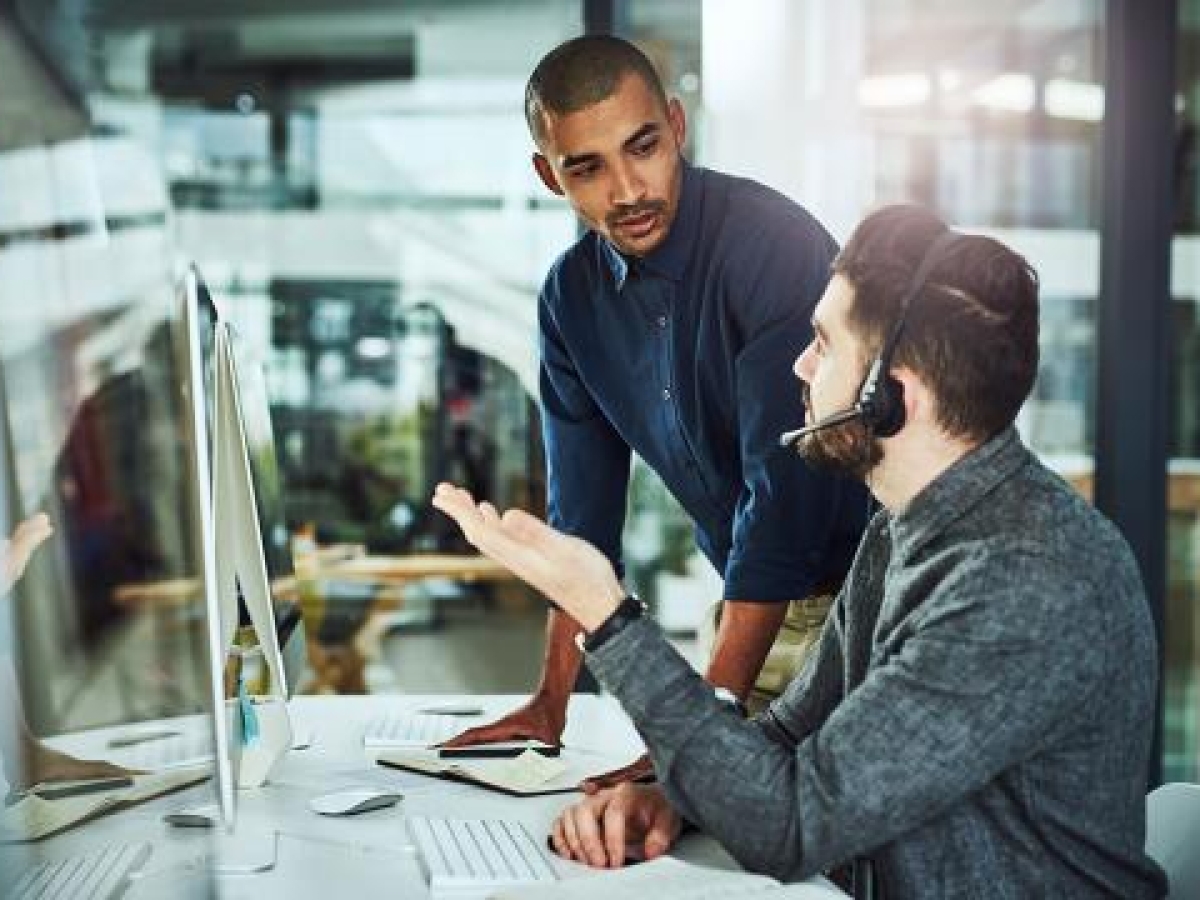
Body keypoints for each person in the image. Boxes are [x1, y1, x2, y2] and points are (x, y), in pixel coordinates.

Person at [432, 205, 1168, 898]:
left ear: (891, 397)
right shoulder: (903, 525)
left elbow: (793, 823)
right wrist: (670, 797)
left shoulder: (1022, 582)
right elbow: (786, 732)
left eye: (823, 344)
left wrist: (608, 616)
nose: (801, 369)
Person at [442, 34, 868, 790]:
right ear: (550, 175)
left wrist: (700, 733)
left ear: (676, 126)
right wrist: (552, 701)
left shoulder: (773, 246)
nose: (628, 189)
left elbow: (782, 508)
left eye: (642, 147)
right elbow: (583, 522)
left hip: (868, 622)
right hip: (748, 622)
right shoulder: (569, 299)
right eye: (588, 167)